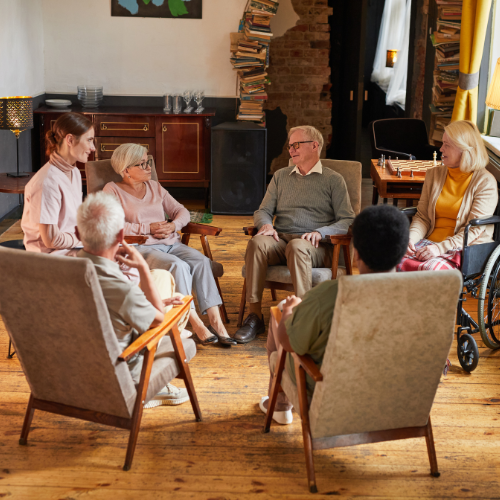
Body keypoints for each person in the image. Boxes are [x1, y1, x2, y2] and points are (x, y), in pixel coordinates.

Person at [260, 205, 409, 424]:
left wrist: (289, 311)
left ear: (355, 251)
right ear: (404, 251)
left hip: (329, 402)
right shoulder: (419, 297)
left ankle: (281, 404)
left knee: (280, 312)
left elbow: (289, 343)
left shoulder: (329, 295)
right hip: (394, 403)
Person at [103, 143, 236, 347]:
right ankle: (194, 322)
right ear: (126, 170)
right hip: (141, 248)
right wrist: (147, 228)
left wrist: (173, 225)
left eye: (148, 162)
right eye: (142, 164)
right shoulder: (112, 190)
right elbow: (113, 225)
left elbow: (181, 211)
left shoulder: (155, 187)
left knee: (201, 261)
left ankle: (217, 323)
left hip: (170, 243)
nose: (149, 167)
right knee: (178, 266)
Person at [234, 125, 356, 344]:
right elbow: (263, 210)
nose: (291, 150)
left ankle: (303, 316)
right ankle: (254, 316)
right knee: (257, 243)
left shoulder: (333, 180)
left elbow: (347, 219)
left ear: (314, 146)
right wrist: (265, 226)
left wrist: (321, 232)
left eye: (296, 145)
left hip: (316, 247)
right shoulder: (281, 177)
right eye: (290, 146)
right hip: (281, 241)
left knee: (298, 246)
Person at [76, 191, 192, 408]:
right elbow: (158, 322)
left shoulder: (59, 270)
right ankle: (152, 389)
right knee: (185, 336)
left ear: (77, 232)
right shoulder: (122, 289)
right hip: (123, 376)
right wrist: (143, 269)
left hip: (73, 367)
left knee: (166, 284)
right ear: (121, 236)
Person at [398, 120, 498, 272]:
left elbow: (473, 231)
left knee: (429, 271)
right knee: (387, 259)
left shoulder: (485, 182)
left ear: (464, 150)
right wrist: (410, 239)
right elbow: (423, 217)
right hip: (428, 243)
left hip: (461, 249)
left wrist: (440, 248)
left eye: (447, 145)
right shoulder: (434, 175)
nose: (441, 149)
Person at [22, 113, 95, 255]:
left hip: (72, 248)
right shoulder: (47, 182)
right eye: (89, 140)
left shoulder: (75, 172)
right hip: (50, 257)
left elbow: (72, 222)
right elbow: (52, 240)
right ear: (70, 140)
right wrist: (87, 240)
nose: (93, 148)